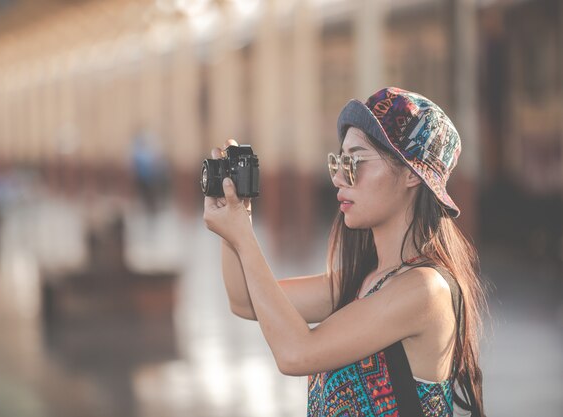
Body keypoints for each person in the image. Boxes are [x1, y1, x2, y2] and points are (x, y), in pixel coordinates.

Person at [203, 87, 486, 417]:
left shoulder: (425, 290)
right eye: (338, 161)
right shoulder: (364, 282)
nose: (338, 177)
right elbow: (245, 301)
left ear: (411, 174)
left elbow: (296, 354)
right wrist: (234, 220)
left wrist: (244, 236)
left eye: (354, 161)